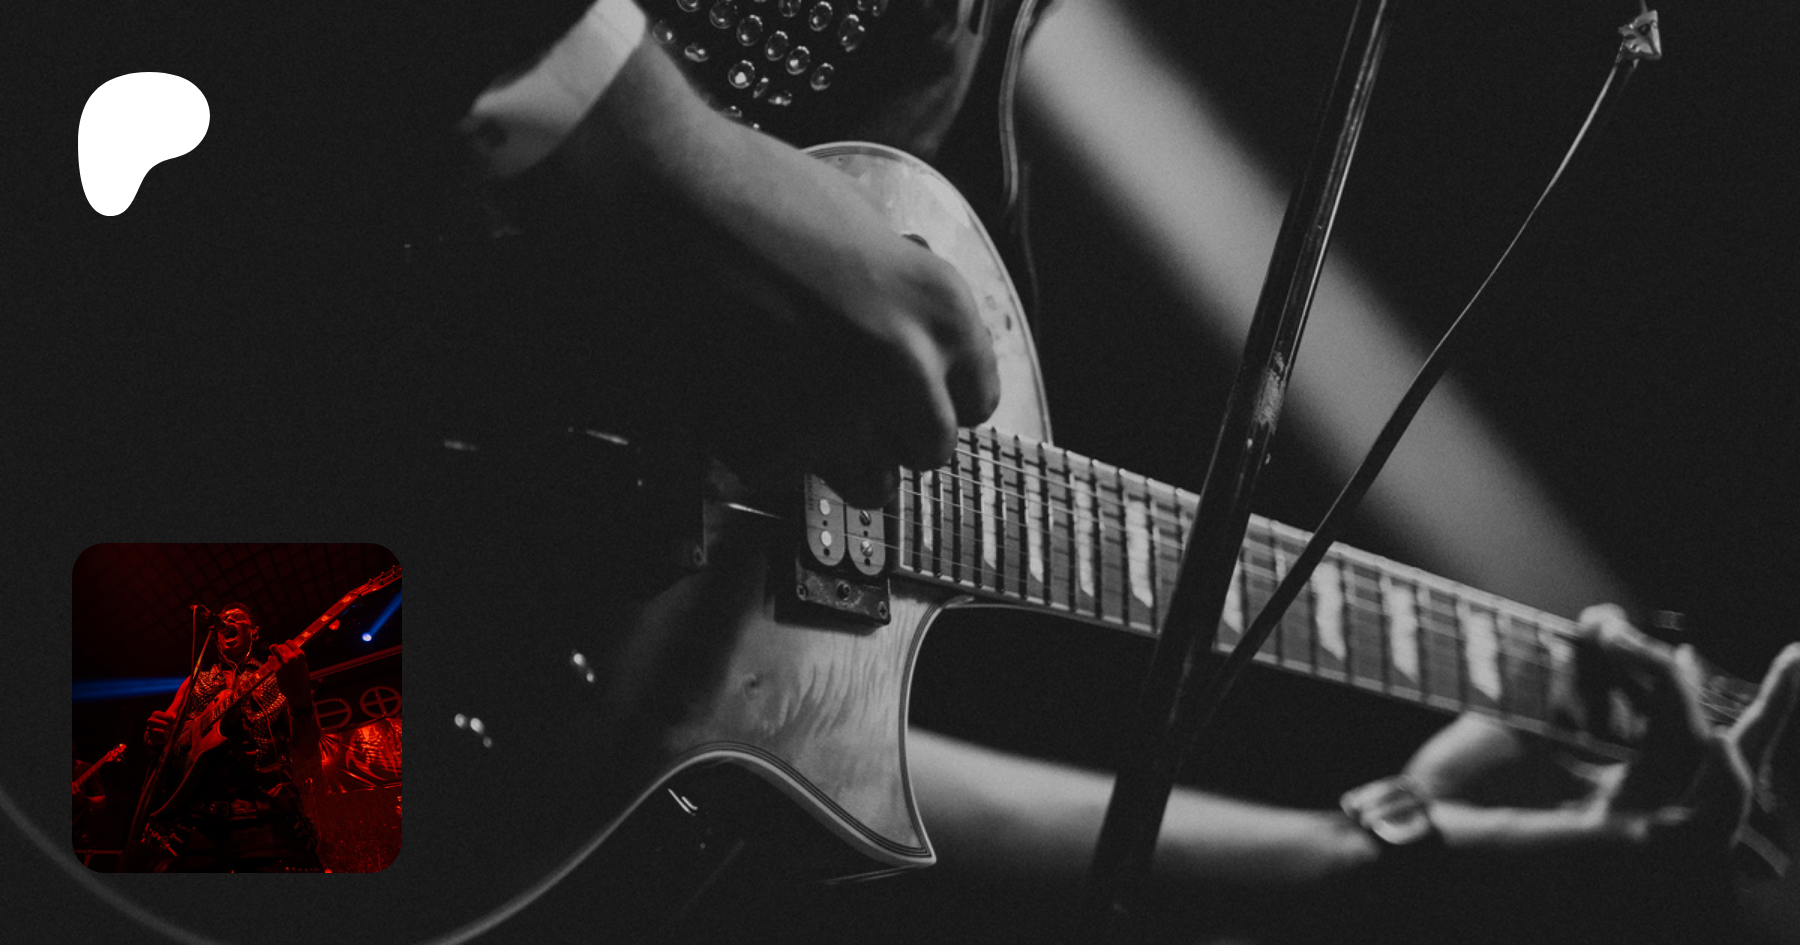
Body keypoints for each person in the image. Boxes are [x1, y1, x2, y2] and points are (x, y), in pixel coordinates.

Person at [136, 604, 324, 872]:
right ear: (216, 637)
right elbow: (160, 739)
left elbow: (306, 748)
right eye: (223, 620)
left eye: (237, 618)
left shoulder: (276, 675)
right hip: (195, 824)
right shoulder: (194, 681)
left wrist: (301, 697)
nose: (228, 621)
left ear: (254, 632)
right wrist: (154, 737)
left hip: (266, 818)